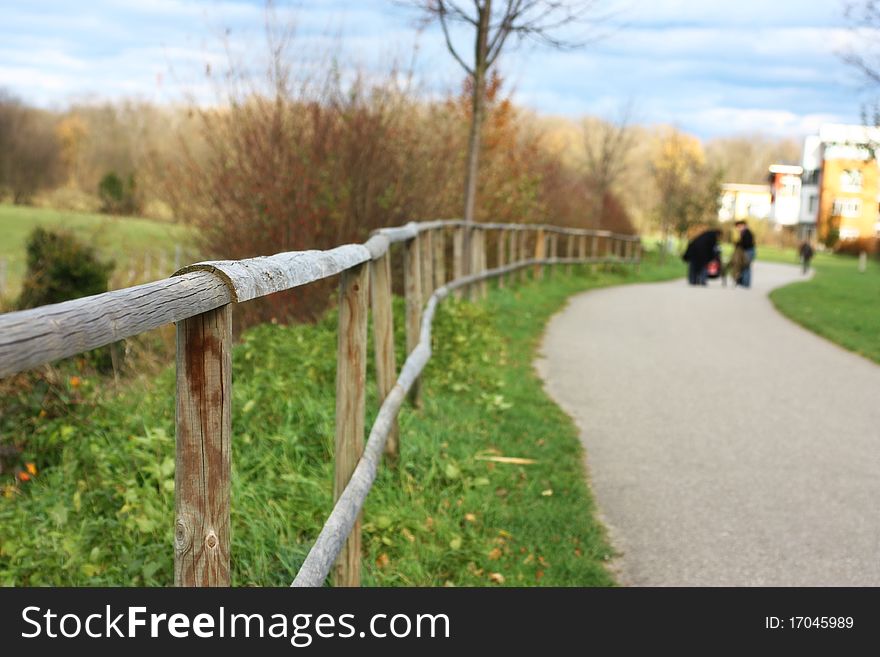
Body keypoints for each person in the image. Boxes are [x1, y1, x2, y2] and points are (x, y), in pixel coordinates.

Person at [734, 220, 755, 288]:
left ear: (742, 225)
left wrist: (738, 244)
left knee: (746, 266)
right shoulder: (744, 233)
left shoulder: (746, 232)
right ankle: (744, 283)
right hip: (747, 251)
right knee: (744, 267)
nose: (738, 229)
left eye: (738, 227)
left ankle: (746, 283)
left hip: (748, 251)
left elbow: (746, 243)